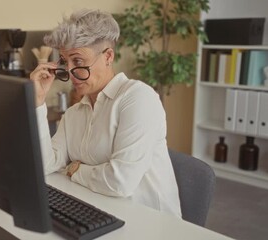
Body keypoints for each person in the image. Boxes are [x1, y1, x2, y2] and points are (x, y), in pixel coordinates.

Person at [30, 9, 181, 217]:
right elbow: (45, 163)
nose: (71, 73)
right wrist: (38, 103)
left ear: (108, 56)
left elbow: (120, 182)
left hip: (150, 222)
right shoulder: (74, 113)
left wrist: (75, 170)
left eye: (78, 61)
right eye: (65, 61)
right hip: (101, 212)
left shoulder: (138, 98)